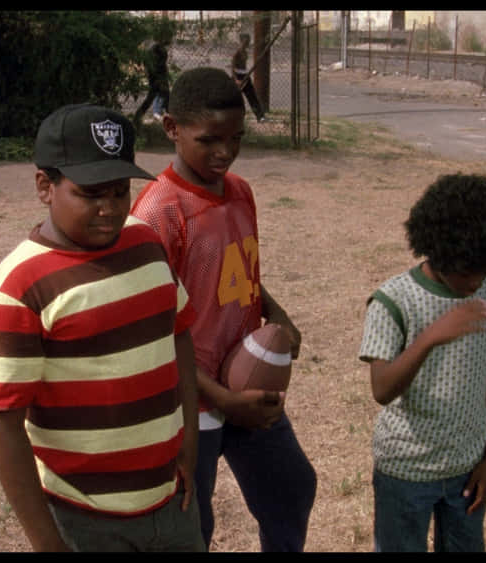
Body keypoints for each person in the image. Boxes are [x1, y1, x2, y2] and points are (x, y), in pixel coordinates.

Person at [0, 103, 205, 552]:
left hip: (171, 501)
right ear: (45, 186)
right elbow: (1, 423)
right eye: (90, 193)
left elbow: (177, 335)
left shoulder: (147, 244)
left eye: (120, 192)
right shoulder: (15, 290)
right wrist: (46, 542)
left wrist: (188, 440)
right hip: (83, 520)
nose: (109, 209)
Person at [131, 67, 317, 552]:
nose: (224, 152)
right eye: (209, 139)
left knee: (291, 487)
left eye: (235, 139)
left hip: (243, 380)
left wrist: (276, 312)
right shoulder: (157, 213)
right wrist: (221, 398)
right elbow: (153, 329)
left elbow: (235, 271)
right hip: (194, 399)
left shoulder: (239, 190)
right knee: (195, 522)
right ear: (171, 128)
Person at [358, 173, 486, 552]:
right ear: (437, 250)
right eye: (467, 271)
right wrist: (432, 335)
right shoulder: (394, 301)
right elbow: (381, 389)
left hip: (468, 469)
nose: (475, 283)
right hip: (405, 472)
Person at [134, 35, 171, 127]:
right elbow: (155, 66)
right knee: (162, 95)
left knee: (162, 96)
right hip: (158, 77)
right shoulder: (157, 50)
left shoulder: (157, 49)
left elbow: (151, 65)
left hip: (157, 77)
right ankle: (139, 117)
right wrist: (159, 78)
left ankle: (138, 117)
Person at [231, 32, 266, 122]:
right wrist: (236, 80)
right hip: (237, 77)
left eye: (248, 41)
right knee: (234, 98)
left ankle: (260, 116)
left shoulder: (245, 52)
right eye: (246, 41)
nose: (248, 43)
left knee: (252, 96)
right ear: (241, 41)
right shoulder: (237, 53)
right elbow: (233, 67)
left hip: (245, 75)